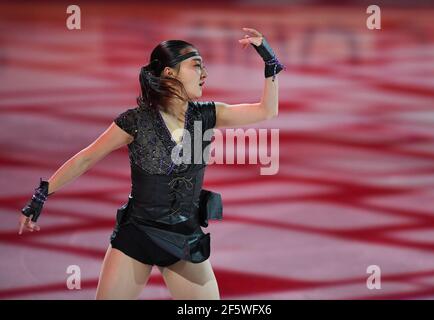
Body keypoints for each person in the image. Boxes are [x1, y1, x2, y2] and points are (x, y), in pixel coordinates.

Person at [19, 27, 284, 300]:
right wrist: (42, 194)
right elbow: (86, 157)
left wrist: (269, 59)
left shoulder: (207, 115)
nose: (204, 74)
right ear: (170, 73)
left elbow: (267, 111)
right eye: (196, 66)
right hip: (137, 235)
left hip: (185, 239)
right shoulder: (135, 121)